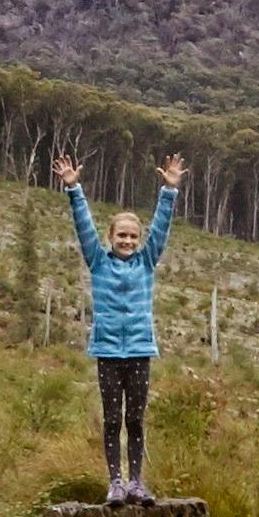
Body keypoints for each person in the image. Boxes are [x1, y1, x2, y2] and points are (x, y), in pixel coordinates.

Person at [45, 146, 188, 499]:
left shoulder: (146, 262)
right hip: (108, 353)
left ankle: (137, 482)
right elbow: (83, 226)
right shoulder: (98, 261)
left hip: (139, 351)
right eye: (121, 235)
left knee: (135, 420)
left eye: (132, 236)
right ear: (110, 238)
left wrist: (169, 190)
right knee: (112, 420)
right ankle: (115, 482)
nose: (127, 240)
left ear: (140, 242)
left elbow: (162, 228)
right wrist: (73, 188)